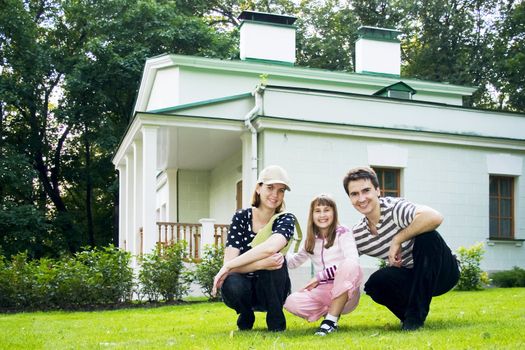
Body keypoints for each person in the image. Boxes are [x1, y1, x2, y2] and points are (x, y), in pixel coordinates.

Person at [342, 166, 460, 331]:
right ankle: (410, 316)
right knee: (376, 283)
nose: (361, 198)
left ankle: (414, 319)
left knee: (427, 236)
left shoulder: (395, 208)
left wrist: (398, 239)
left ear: (378, 190)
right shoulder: (359, 234)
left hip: (443, 273)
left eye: (366, 190)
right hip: (412, 278)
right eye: (354, 194)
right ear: (350, 198)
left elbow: (435, 217)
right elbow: (340, 260)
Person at [212, 165, 297, 332]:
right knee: (232, 283)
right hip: (243, 285)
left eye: (281, 190)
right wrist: (259, 264)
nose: (275, 194)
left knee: (276, 263)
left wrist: (229, 266)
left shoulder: (286, 218)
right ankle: (246, 313)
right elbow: (230, 262)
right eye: (270, 188)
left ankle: (276, 320)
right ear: (258, 188)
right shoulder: (241, 217)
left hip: (273, 286)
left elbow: (271, 247)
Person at [284, 194, 362, 336]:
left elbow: (353, 260)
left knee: (349, 264)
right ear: (312, 215)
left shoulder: (343, 232)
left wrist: (320, 276)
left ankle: (330, 321)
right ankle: (331, 313)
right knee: (291, 302)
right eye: (317, 211)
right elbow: (293, 262)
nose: (322, 215)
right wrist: (281, 247)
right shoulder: (311, 239)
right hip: (324, 292)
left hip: (347, 293)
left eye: (326, 210)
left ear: (334, 212)